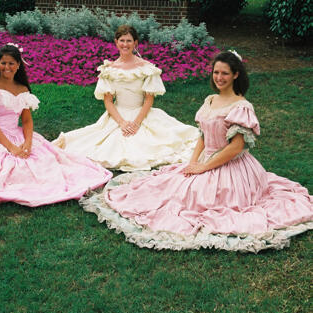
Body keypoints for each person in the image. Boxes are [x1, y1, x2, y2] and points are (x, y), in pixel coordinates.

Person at [79, 51, 313, 252]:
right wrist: (191, 163)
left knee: (202, 201)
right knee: (176, 188)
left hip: (230, 166)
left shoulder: (241, 106)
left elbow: (236, 147)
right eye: (216, 72)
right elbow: (202, 135)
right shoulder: (210, 100)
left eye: (224, 73)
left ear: (236, 75)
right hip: (204, 158)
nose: (219, 77)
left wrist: (203, 166)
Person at [0, 43, 112, 207]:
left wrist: (28, 141)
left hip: (18, 133)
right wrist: (11, 147)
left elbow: (27, 120)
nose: (6, 67)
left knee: (45, 163)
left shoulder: (22, 88)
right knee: (9, 168)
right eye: (3, 63)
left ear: (18, 65)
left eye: (11, 63)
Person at [52, 25, 199, 171]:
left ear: (135, 43)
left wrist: (136, 123)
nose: (125, 44)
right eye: (122, 40)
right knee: (100, 143)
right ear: (116, 42)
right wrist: (122, 123)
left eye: (129, 41)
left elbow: (148, 99)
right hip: (118, 114)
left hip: (141, 113)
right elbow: (108, 101)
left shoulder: (146, 68)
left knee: (153, 142)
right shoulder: (109, 70)